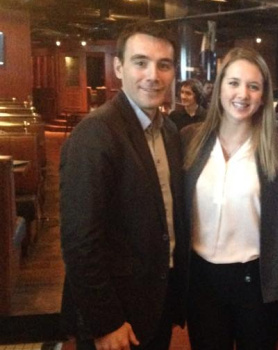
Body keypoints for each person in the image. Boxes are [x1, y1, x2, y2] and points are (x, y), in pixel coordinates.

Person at [59, 20, 188, 350]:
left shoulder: (170, 132)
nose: (152, 75)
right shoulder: (96, 133)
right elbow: (80, 239)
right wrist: (106, 321)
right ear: (119, 67)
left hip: (155, 302)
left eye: (164, 65)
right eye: (140, 62)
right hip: (116, 315)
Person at [181, 47, 278, 349]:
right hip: (201, 279)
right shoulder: (189, 140)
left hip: (255, 282)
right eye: (233, 83)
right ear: (219, 88)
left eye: (253, 86)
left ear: (263, 96)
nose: (242, 94)